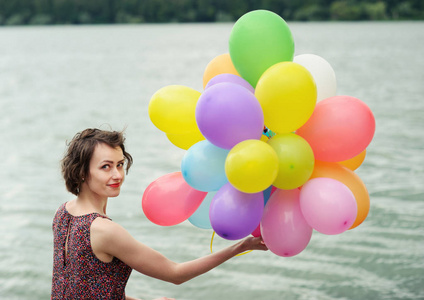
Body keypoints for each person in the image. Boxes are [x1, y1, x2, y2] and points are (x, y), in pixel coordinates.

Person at [52, 128, 268, 300]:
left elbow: (82, 291)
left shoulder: (63, 213)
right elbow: (175, 273)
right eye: (105, 167)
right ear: (81, 172)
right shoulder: (103, 230)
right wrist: (240, 246)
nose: (117, 174)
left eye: (119, 164)